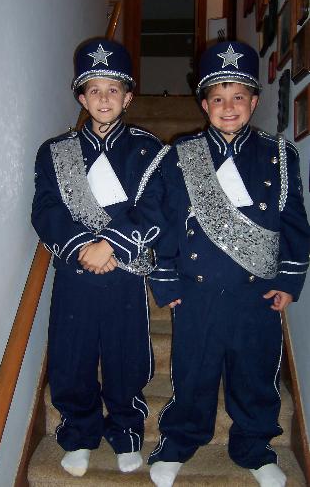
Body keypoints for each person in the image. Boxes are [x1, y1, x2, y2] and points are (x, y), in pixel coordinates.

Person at [147, 41, 310, 487]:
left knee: (256, 374)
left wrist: (289, 280)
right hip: (197, 290)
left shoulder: (279, 155)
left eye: (239, 96)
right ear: (204, 104)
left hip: (256, 292)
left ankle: (255, 448)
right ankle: (179, 442)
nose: (229, 106)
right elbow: (163, 220)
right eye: (217, 98)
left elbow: (294, 221)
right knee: (192, 372)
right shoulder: (181, 155)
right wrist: (165, 280)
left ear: (254, 101)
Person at [31, 37, 169, 477]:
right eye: (94, 89)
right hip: (75, 272)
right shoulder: (54, 152)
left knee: (125, 354)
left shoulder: (150, 150)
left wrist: (109, 245)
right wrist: (81, 248)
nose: (104, 98)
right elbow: (47, 209)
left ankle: (128, 430)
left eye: (113, 89)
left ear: (128, 96)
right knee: (71, 355)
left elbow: (154, 209)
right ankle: (78, 432)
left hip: (124, 273)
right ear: (80, 96)